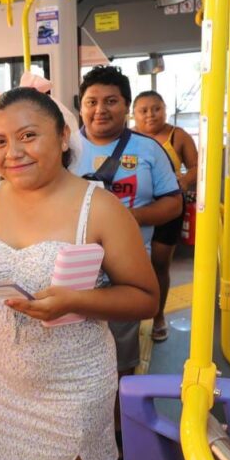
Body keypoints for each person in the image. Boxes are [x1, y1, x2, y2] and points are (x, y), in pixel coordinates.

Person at [0, 87, 156, 460]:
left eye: (27, 136)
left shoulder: (100, 208)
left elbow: (145, 296)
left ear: (62, 137)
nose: (12, 152)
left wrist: (75, 301)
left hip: (72, 382)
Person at [72, 67, 182, 379]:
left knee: (122, 349)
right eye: (91, 102)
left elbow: (173, 203)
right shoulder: (64, 148)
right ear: (81, 107)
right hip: (73, 265)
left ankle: (121, 407)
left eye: (111, 101)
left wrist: (129, 219)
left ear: (126, 106)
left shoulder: (148, 149)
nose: (100, 110)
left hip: (126, 266)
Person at [131, 90, 198, 342]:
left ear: (165, 110)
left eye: (156, 109)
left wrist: (182, 181)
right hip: (135, 208)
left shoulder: (177, 136)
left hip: (167, 209)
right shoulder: (128, 137)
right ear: (134, 114)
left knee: (159, 265)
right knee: (130, 265)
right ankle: (131, 318)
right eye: (144, 110)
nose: (150, 114)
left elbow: (197, 166)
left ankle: (159, 317)